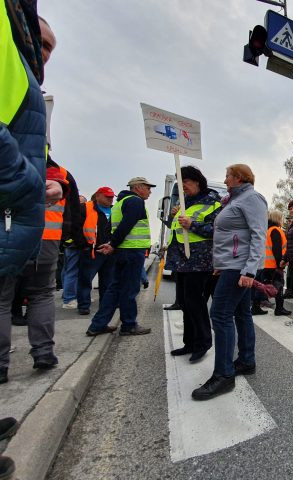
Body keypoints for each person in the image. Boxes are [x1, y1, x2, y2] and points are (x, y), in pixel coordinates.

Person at [1, 12, 69, 384]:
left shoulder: (32, 92)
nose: (44, 54)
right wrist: (29, 181)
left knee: (38, 293)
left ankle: (43, 353)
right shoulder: (12, 73)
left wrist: (56, 184)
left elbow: (41, 159)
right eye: (40, 43)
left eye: (49, 49)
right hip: (13, 213)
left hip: (35, 226)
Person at [191, 164, 267, 400]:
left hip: (240, 268)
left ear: (239, 178)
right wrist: (220, 264)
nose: (224, 180)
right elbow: (228, 236)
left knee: (220, 315)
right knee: (241, 313)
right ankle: (246, 360)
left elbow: (258, 234)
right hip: (232, 266)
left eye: (227, 176)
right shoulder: (234, 199)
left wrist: (250, 271)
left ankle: (224, 375)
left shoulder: (252, 198)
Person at [86, 177, 155, 336]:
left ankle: (97, 325)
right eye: (147, 188)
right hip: (132, 251)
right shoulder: (135, 202)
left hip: (121, 252)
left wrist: (112, 244)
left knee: (114, 289)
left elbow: (111, 227)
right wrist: (113, 244)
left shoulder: (119, 203)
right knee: (129, 290)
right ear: (138, 187)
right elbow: (127, 224)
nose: (150, 191)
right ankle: (129, 324)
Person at [165, 166, 221, 362]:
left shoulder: (213, 202)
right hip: (182, 261)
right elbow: (177, 230)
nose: (183, 187)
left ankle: (203, 342)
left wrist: (192, 224)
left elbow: (218, 231)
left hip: (200, 261)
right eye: (180, 184)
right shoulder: (184, 202)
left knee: (195, 303)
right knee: (184, 303)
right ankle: (189, 342)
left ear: (197, 181)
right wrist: (175, 217)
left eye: (185, 183)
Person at [76, 187, 116, 315]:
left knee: (108, 281)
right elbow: (76, 228)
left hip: (109, 252)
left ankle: (105, 305)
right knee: (85, 280)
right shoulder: (85, 208)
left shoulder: (115, 210)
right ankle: (83, 306)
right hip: (91, 251)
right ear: (98, 196)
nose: (110, 199)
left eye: (111, 197)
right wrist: (84, 245)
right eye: (107, 197)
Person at [263, 210, 291, 316]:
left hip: (266, 264)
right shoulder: (276, 230)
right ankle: (279, 308)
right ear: (278, 218)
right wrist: (280, 263)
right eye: (281, 217)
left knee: (264, 285)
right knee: (278, 286)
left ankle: (256, 306)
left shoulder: (268, 230)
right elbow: (277, 249)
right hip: (274, 264)